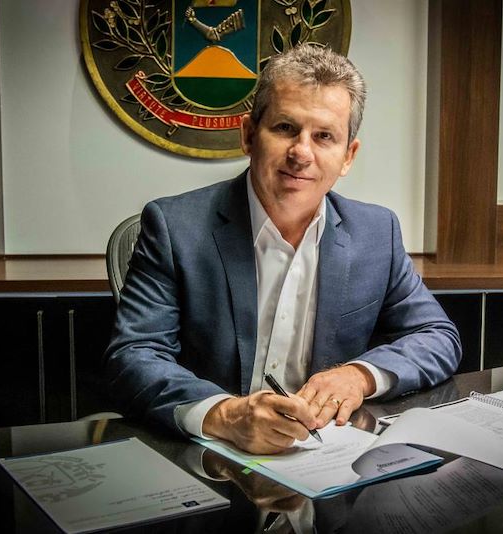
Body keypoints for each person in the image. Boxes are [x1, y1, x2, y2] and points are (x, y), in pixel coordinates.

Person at [105, 44, 461, 455]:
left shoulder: (376, 232)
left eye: (324, 136)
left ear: (348, 156)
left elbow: (437, 336)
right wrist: (226, 415)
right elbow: (134, 354)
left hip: (325, 455)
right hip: (211, 455)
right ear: (248, 135)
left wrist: (359, 375)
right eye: (286, 128)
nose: (301, 154)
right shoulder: (175, 227)